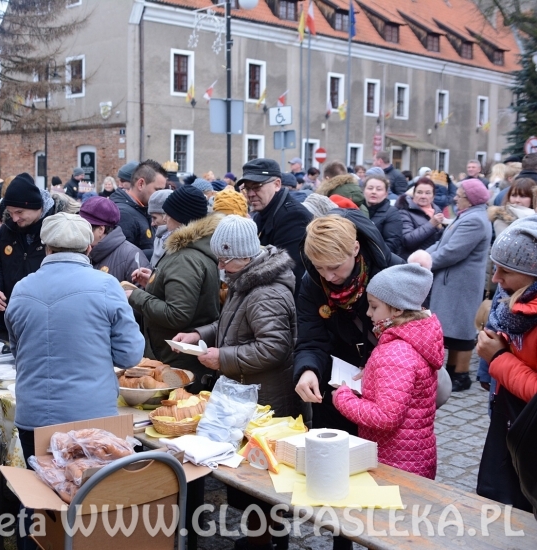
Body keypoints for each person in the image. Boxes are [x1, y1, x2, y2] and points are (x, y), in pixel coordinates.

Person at [173, 215, 299, 550]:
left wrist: (222, 358)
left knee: (262, 479)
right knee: (249, 476)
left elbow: (274, 348)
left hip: (265, 397)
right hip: (249, 391)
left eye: (224, 258)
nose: (220, 265)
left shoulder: (266, 292)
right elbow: (230, 324)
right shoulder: (246, 279)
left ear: (242, 255)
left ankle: (268, 543)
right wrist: (200, 334)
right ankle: (259, 539)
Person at [6, 212, 144, 445]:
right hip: (91, 414)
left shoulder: (21, 288)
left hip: (34, 416)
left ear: (47, 248)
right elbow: (130, 355)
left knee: (39, 481)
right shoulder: (107, 285)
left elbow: (18, 351)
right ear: (89, 249)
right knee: (91, 481)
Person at [294, 211, 403, 434]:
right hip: (338, 383)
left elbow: (412, 333)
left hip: (388, 382)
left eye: (334, 267)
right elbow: (311, 339)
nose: (329, 276)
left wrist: (376, 364)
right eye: (319, 267)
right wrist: (308, 369)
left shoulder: (392, 272)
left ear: (355, 249)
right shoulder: (312, 282)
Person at [333, 264, 444, 479]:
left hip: (394, 463)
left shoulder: (396, 351)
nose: (368, 313)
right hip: (412, 457)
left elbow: (386, 417)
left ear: (397, 309)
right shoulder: (414, 339)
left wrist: (343, 397)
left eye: (374, 307)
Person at [127, 185, 220, 391]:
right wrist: (151, 282)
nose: (165, 221)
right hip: (179, 358)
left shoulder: (186, 257)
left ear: (180, 218)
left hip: (177, 361)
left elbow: (177, 314)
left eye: (168, 216)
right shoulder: (191, 249)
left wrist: (135, 295)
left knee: (178, 410)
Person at [475, 217, 537, 512]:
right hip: (509, 418)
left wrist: (498, 358)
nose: (495, 278)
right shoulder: (513, 308)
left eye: (506, 271)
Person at [426, 179, 492, 392]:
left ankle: (460, 375)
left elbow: (452, 252)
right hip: (454, 282)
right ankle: (453, 372)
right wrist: (422, 256)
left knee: (462, 330)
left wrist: (426, 262)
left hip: (461, 284)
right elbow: (443, 244)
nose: (455, 197)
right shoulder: (469, 216)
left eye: (460, 195)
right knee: (453, 328)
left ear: (471, 199)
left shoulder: (474, 220)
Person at [0, 173, 56, 339]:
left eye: (19, 212)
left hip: (43, 325)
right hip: (7, 322)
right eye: (10, 213)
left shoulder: (56, 231)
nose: (15, 218)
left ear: (37, 207)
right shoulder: (8, 229)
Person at [238, 158, 313, 296]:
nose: (250, 194)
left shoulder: (293, 216)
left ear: (277, 184)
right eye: (247, 188)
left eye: (257, 186)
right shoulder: (264, 212)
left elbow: (290, 274)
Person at [79, 196, 149, 282]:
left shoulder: (131, 256)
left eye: (85, 227)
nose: (79, 231)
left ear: (101, 230)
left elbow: (143, 292)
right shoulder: (79, 249)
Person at [110, 159, 167, 261]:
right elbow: (123, 258)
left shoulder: (144, 208)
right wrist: (162, 252)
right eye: (158, 190)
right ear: (140, 184)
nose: (161, 194)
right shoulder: (124, 214)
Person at [395, 177, 444, 259]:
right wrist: (431, 224)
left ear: (433, 196)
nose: (423, 196)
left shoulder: (436, 210)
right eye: (419, 192)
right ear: (414, 194)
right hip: (413, 260)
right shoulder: (404, 212)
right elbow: (408, 241)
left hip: (433, 258)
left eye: (428, 193)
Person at [363, 174, 403, 254]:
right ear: (364, 191)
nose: (373, 192)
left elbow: (392, 242)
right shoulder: (356, 209)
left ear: (386, 194)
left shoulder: (392, 213)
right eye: (370, 188)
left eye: (379, 189)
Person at [147, 189, 172, 268]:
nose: (152, 223)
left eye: (154, 218)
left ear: (166, 216)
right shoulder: (160, 237)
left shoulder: (178, 242)